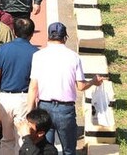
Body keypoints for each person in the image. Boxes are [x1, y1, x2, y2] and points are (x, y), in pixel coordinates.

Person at [27, 23, 105, 155]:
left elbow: (33, 87)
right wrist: (93, 81)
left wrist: (30, 113)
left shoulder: (38, 56)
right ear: (65, 37)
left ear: (48, 36)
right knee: (68, 150)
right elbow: (81, 86)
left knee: (44, 150)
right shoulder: (73, 57)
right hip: (65, 110)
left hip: (44, 108)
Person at [0, 18, 41, 155]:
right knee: (22, 137)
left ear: (14, 32)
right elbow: (35, 83)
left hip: (4, 99)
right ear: (32, 34)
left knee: (6, 139)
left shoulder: (3, 49)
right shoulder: (36, 53)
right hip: (24, 99)